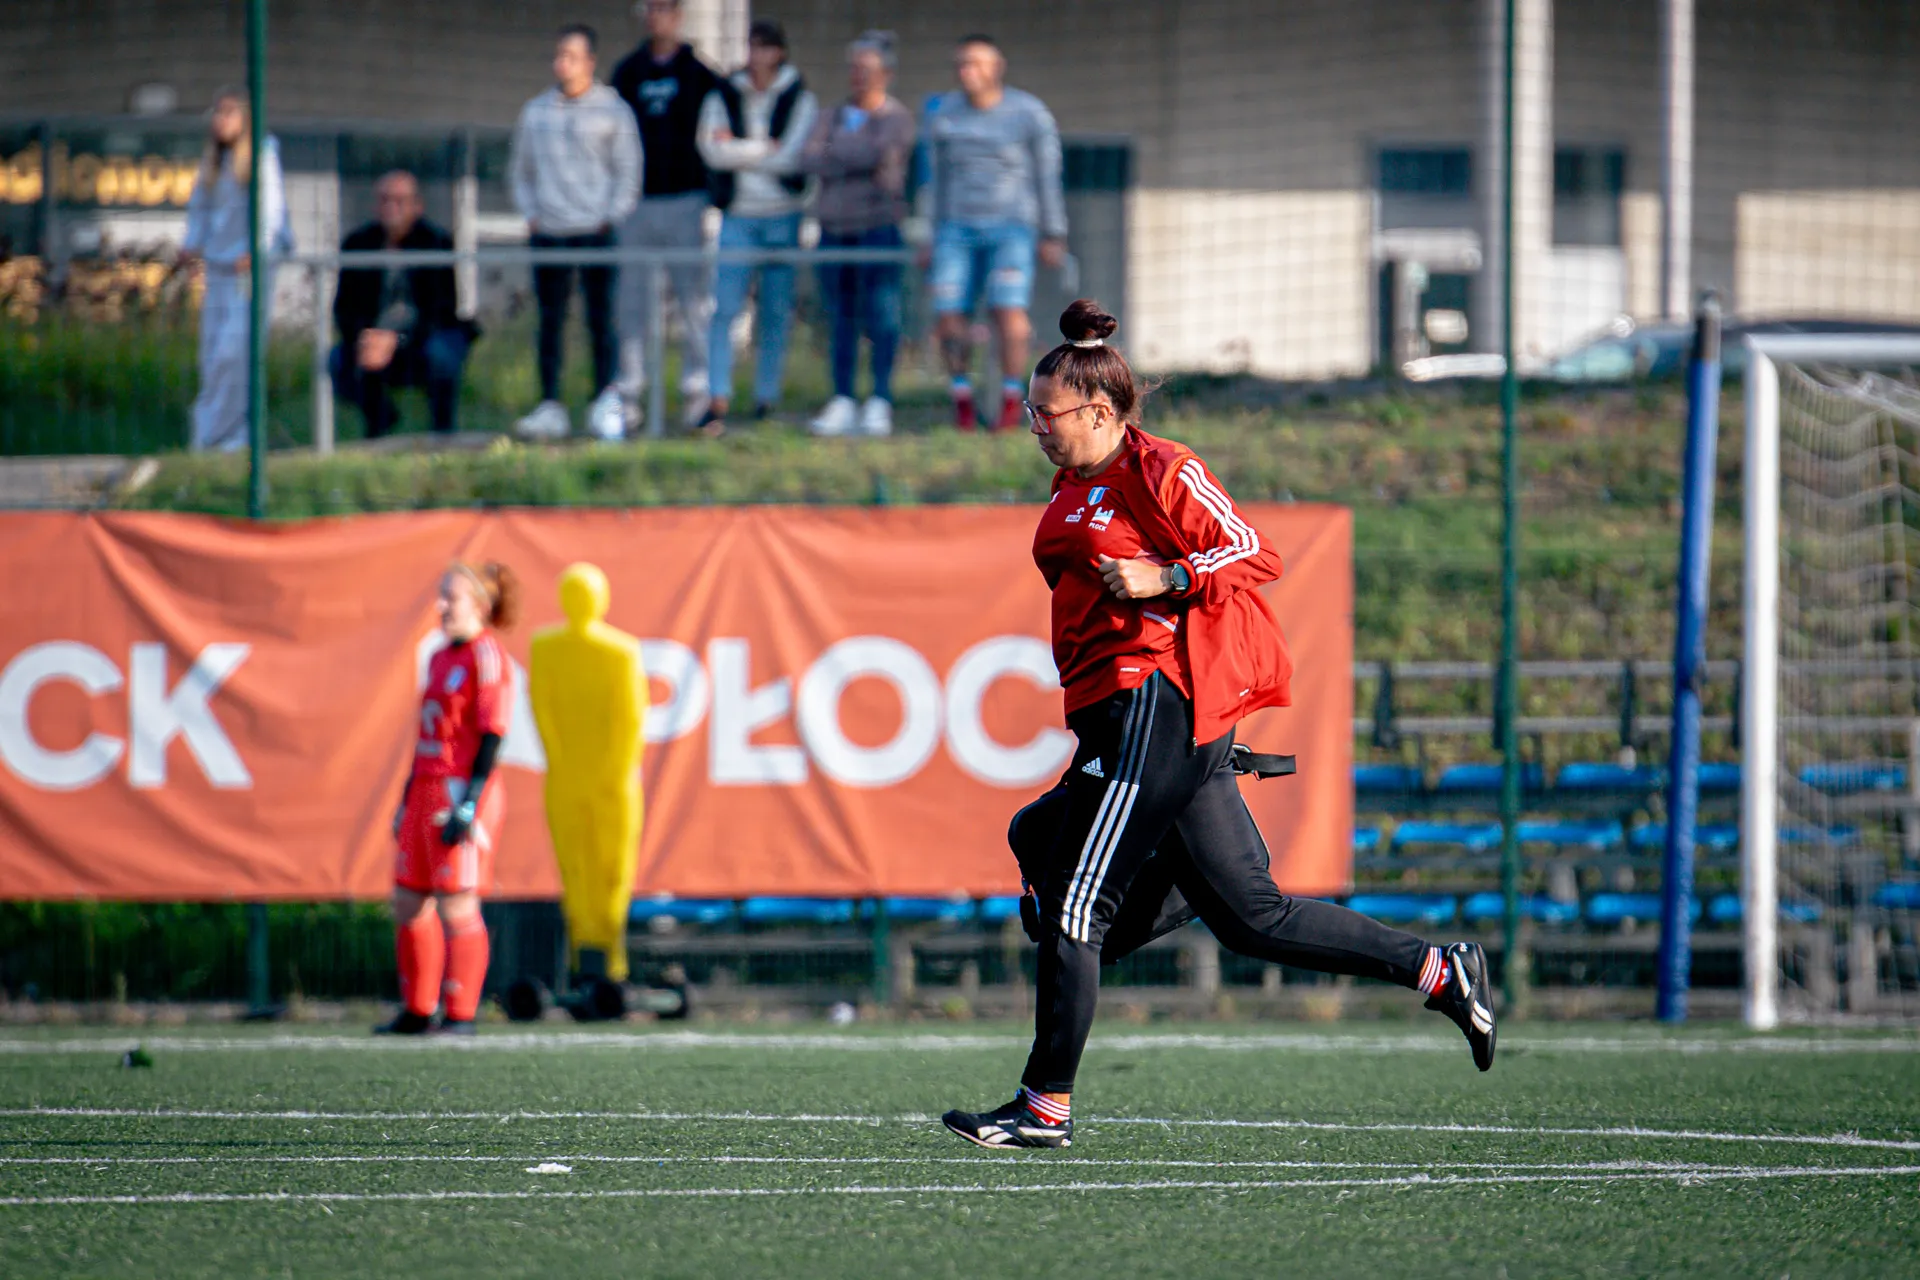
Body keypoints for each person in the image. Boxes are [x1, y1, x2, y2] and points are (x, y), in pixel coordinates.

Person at [941, 301, 1496, 1149]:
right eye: (1030, 413)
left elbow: (1251, 550)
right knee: (1246, 915)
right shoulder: (1073, 485)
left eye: (1046, 414)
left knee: (1075, 908)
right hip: (1120, 720)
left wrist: (1165, 577)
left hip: (1156, 705)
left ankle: (1044, 1106)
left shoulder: (1161, 466)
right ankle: (1437, 968)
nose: (1035, 428)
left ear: (1100, 411)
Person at [379, 561, 520, 1036]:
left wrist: (470, 802)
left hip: (459, 789)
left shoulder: (487, 655)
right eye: (440, 596)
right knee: (408, 900)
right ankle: (419, 1009)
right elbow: (430, 737)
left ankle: (461, 1013)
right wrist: (407, 797)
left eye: (451, 597)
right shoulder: (439, 657)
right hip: (425, 787)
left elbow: (492, 733)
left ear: (478, 605)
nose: (441, 606)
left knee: (457, 902)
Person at [923, 35, 1068, 433]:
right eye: (961, 64)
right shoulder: (944, 114)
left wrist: (1053, 231)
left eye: (976, 63)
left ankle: (1010, 403)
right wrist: (927, 234)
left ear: (996, 67)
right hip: (955, 229)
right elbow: (933, 179)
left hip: (1012, 229)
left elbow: (1047, 175)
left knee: (1008, 312)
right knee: (948, 315)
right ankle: (962, 400)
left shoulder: (1028, 113)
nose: (967, 71)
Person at [509, 23, 642, 442]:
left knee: (601, 320)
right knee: (550, 322)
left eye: (570, 56)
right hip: (550, 231)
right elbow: (521, 171)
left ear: (590, 62)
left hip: (595, 231)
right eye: (558, 55)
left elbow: (628, 170)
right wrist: (532, 214)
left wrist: (612, 216)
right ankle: (550, 404)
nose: (561, 64)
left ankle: (605, 402)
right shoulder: (536, 112)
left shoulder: (613, 110)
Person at [529, 563, 648, 989]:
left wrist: (582, 769)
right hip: (596, 782)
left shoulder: (617, 651)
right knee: (588, 873)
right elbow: (545, 711)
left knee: (601, 872)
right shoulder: (566, 648)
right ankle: (595, 960)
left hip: (595, 782)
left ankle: (604, 959)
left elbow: (629, 721)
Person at [695, 19, 816, 434]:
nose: (756, 56)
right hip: (738, 216)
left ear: (779, 52)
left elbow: (793, 157)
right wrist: (765, 148)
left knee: (775, 313)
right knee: (724, 309)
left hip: (783, 215)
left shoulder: (799, 97)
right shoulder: (724, 94)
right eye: (751, 47)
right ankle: (717, 397)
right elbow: (713, 152)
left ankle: (767, 398)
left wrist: (740, 150)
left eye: (765, 47)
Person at [612, 0, 721, 432]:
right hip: (637, 203)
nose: (657, 17)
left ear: (678, 16)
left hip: (685, 201)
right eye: (651, 8)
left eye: (665, 8)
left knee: (693, 304)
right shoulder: (627, 73)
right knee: (633, 306)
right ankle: (628, 398)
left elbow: (717, 133)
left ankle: (697, 395)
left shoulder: (700, 75)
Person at [802, 29, 914, 438]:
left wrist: (839, 153)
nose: (858, 76)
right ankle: (843, 398)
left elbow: (880, 155)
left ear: (886, 74)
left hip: (878, 230)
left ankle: (880, 398)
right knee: (840, 317)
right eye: (853, 68)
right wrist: (860, 157)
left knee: (883, 317)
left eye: (867, 69)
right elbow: (808, 157)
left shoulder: (896, 118)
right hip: (834, 231)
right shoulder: (830, 115)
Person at [180, 87, 291, 453]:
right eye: (217, 113)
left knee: (236, 351)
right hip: (219, 269)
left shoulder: (262, 153)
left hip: (249, 270)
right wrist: (192, 245)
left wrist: (257, 248)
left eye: (228, 113)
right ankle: (207, 437)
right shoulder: (213, 160)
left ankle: (236, 434)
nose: (220, 120)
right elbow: (200, 206)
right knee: (212, 356)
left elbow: (270, 208)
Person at [329, 171, 477, 438]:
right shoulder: (358, 243)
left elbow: (442, 308)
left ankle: (443, 433)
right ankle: (379, 425)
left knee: (442, 353)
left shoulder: (436, 243)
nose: (391, 208)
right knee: (337, 360)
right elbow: (344, 307)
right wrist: (365, 338)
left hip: (422, 337)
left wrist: (397, 339)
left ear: (417, 206)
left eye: (399, 201)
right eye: (385, 200)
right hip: (373, 338)